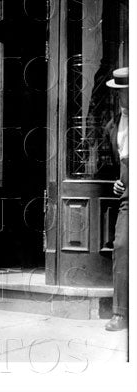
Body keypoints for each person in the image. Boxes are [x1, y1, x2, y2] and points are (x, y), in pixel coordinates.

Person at [104, 67, 129, 332]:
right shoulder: (114, 124)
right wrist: (118, 181)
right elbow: (118, 163)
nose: (124, 97)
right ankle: (120, 313)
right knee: (122, 247)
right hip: (128, 197)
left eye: (128, 92)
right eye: (120, 92)